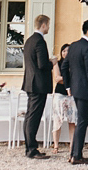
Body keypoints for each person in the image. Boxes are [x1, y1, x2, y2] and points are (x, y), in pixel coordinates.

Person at [61, 19, 88, 165]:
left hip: (76, 90)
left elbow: (64, 67)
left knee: (82, 120)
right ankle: (76, 155)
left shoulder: (73, 46)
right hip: (85, 91)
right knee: (83, 121)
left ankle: (74, 153)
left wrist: (68, 86)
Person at [21, 14, 54, 159]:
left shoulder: (29, 41)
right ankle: (32, 149)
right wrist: (52, 62)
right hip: (38, 85)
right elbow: (42, 65)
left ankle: (29, 147)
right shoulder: (40, 41)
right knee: (33, 117)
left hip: (30, 83)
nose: (49, 28)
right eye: (48, 25)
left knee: (29, 116)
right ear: (44, 25)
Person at [51, 43, 78, 154]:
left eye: (67, 51)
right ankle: (56, 145)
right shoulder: (57, 63)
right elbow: (57, 78)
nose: (65, 53)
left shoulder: (75, 64)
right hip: (59, 94)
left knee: (72, 121)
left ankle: (72, 145)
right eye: (63, 51)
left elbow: (76, 78)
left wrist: (65, 79)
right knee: (57, 120)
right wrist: (69, 78)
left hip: (71, 95)